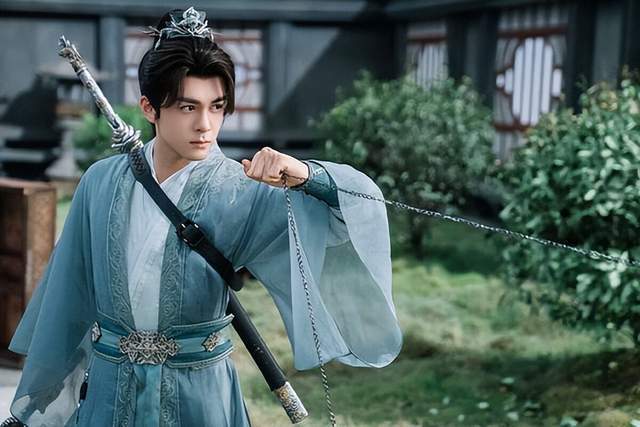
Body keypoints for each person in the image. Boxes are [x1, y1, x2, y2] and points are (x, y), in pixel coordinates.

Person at [7, 7, 402, 426]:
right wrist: (40, 404)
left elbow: (351, 213)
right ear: (149, 108)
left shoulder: (242, 191)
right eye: (187, 107)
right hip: (110, 393)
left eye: (217, 107)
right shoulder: (100, 182)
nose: (205, 125)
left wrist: (306, 175)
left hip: (199, 396)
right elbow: (68, 299)